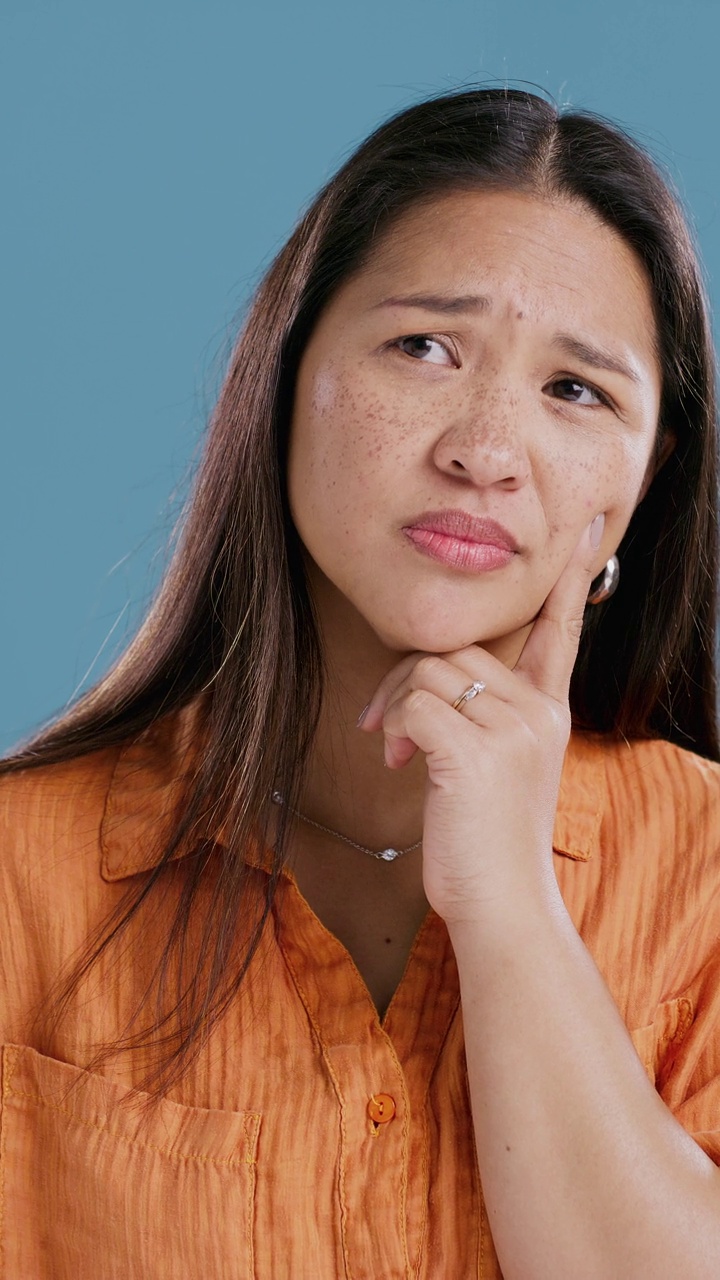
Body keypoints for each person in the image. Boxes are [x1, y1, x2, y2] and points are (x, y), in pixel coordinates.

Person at [1, 86, 720, 1279]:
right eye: (424, 347)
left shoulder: (703, 864)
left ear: (644, 482)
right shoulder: (24, 872)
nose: (484, 450)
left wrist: (509, 907)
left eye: (575, 389)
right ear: (284, 378)